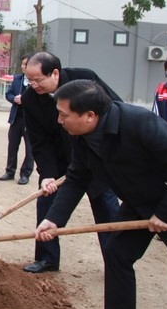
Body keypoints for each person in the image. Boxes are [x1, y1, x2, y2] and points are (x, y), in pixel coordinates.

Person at [36, 80, 167, 309]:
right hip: (141, 200)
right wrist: (54, 219)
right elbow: (77, 178)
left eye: (63, 115)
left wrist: (166, 213)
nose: (59, 121)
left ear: (89, 115)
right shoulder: (83, 137)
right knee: (118, 253)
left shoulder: (139, 122)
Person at [20, 51, 121, 273]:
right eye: (29, 80)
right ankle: (47, 258)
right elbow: (39, 141)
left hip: (95, 159)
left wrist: (104, 152)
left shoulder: (85, 80)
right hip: (59, 163)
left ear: (55, 73)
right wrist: (47, 174)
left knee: (106, 208)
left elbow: (115, 110)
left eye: (38, 80)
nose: (34, 85)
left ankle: (117, 261)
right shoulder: (30, 99)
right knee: (47, 204)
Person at [0, 53, 34, 185]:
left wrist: (26, 100)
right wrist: (14, 99)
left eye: (27, 64)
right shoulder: (17, 79)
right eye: (23, 64)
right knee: (12, 145)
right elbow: (9, 93)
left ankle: (25, 174)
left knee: (30, 148)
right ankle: (10, 171)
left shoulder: (36, 81)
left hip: (30, 120)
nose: (24, 67)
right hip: (16, 118)